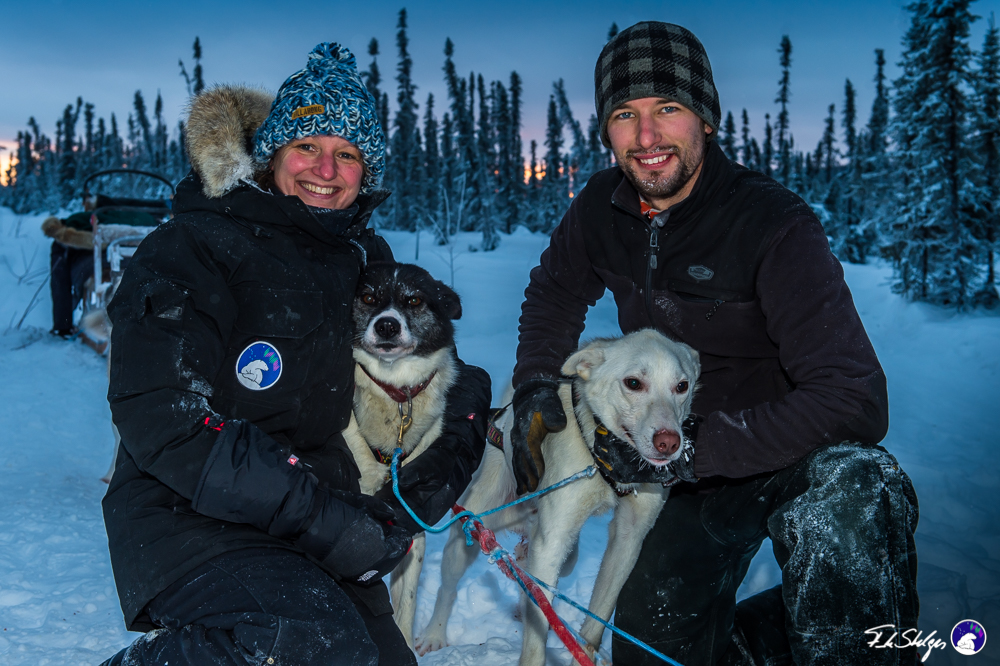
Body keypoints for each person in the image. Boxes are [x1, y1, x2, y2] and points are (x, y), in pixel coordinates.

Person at [509, 22, 918, 666]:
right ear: (607, 129)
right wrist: (537, 383)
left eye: (667, 109)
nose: (646, 137)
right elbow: (554, 293)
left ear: (706, 118)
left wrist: (699, 447)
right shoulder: (600, 207)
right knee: (650, 650)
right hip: (679, 474)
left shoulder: (772, 225)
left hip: (785, 456)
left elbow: (854, 397)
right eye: (625, 114)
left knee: (854, 488)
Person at [99, 43, 490, 666]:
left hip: (315, 523)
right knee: (309, 645)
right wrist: (330, 522)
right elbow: (165, 420)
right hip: (190, 515)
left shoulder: (365, 262)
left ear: (368, 171)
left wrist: (446, 450)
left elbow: (442, 370)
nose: (325, 171)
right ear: (273, 151)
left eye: (348, 154)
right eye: (307, 146)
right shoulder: (192, 247)